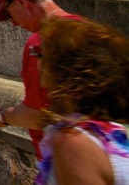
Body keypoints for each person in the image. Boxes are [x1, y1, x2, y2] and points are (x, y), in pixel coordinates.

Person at [0, 0, 84, 159]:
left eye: (7, 13)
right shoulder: (86, 27)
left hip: (64, 157)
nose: (12, 22)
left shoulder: (39, 43)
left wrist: (0, 116)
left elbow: (38, 115)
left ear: (21, 2)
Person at [33, 17, 129, 184]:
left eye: (40, 54)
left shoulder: (73, 142)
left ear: (61, 67)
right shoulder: (112, 131)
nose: (37, 61)